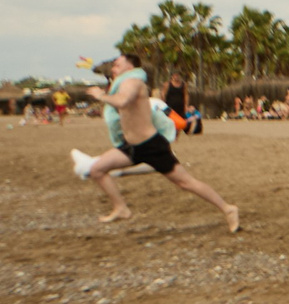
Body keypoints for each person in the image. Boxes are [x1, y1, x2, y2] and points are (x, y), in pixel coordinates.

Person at [74, 50, 240, 231]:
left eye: (117, 64)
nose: (114, 67)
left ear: (130, 66)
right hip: (131, 146)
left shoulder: (133, 82)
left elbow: (123, 102)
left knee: (185, 182)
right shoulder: (122, 84)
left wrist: (101, 96)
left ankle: (228, 209)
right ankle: (120, 208)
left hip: (151, 145)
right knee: (97, 170)